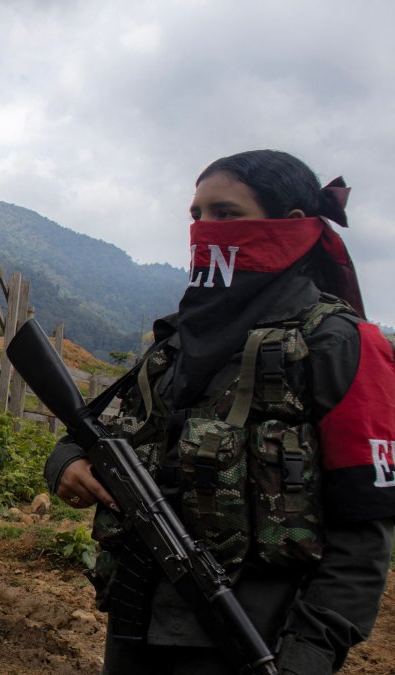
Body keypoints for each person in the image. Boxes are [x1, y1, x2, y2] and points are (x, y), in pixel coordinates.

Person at [45, 149, 395, 674]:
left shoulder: (341, 343)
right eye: (196, 215)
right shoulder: (179, 336)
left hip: (253, 637)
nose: (205, 230)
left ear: (291, 225)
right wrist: (66, 462)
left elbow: (366, 532)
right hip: (135, 617)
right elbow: (101, 431)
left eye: (226, 214)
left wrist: (311, 651)